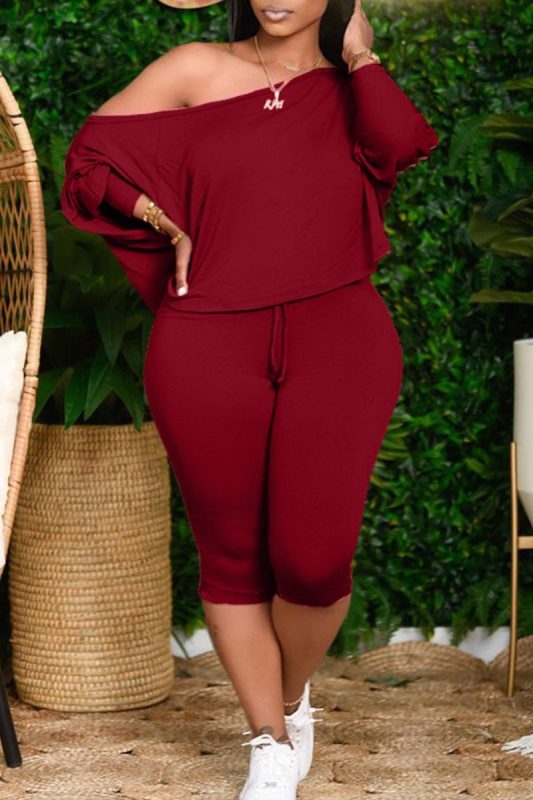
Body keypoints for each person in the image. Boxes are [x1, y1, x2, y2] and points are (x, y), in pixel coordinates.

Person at [60, 0, 440, 796]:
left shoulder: (352, 86)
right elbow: (91, 160)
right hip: (204, 339)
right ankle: (268, 740)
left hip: (340, 336)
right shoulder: (194, 66)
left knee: (314, 562)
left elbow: (400, 145)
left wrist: (360, 54)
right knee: (230, 556)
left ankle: (292, 699)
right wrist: (165, 222)